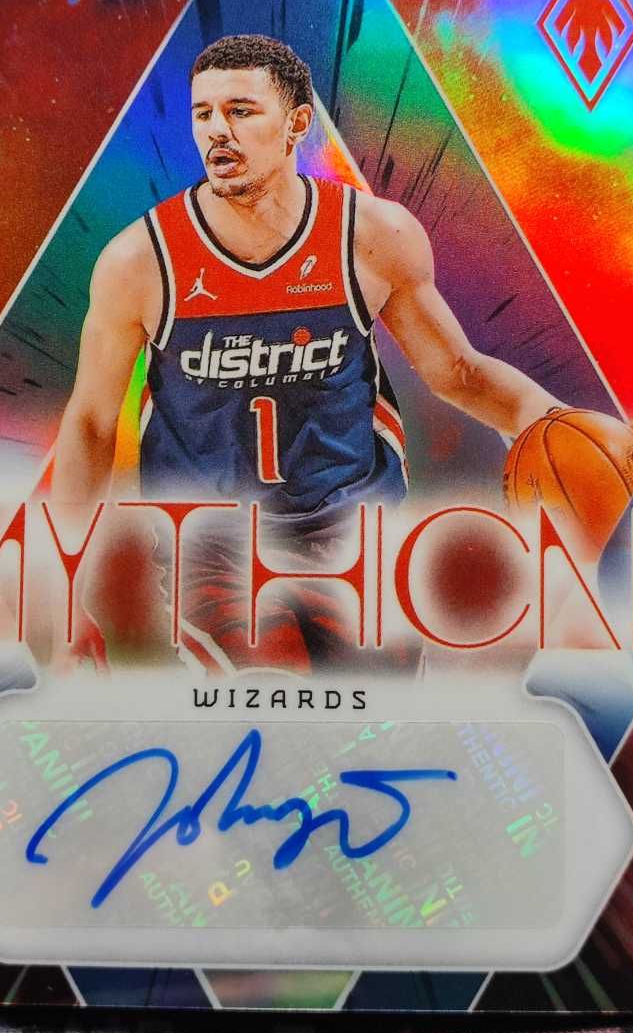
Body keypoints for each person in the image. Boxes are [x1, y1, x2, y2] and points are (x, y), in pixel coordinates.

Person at [51, 34, 561, 673]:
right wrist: (66, 585)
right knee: (272, 702)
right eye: (203, 113)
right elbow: (92, 423)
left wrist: (564, 425)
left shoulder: (372, 235)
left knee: (374, 718)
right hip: (213, 547)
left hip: (353, 531)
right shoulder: (140, 260)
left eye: (240, 110)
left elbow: (458, 372)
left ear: (296, 124)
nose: (217, 131)